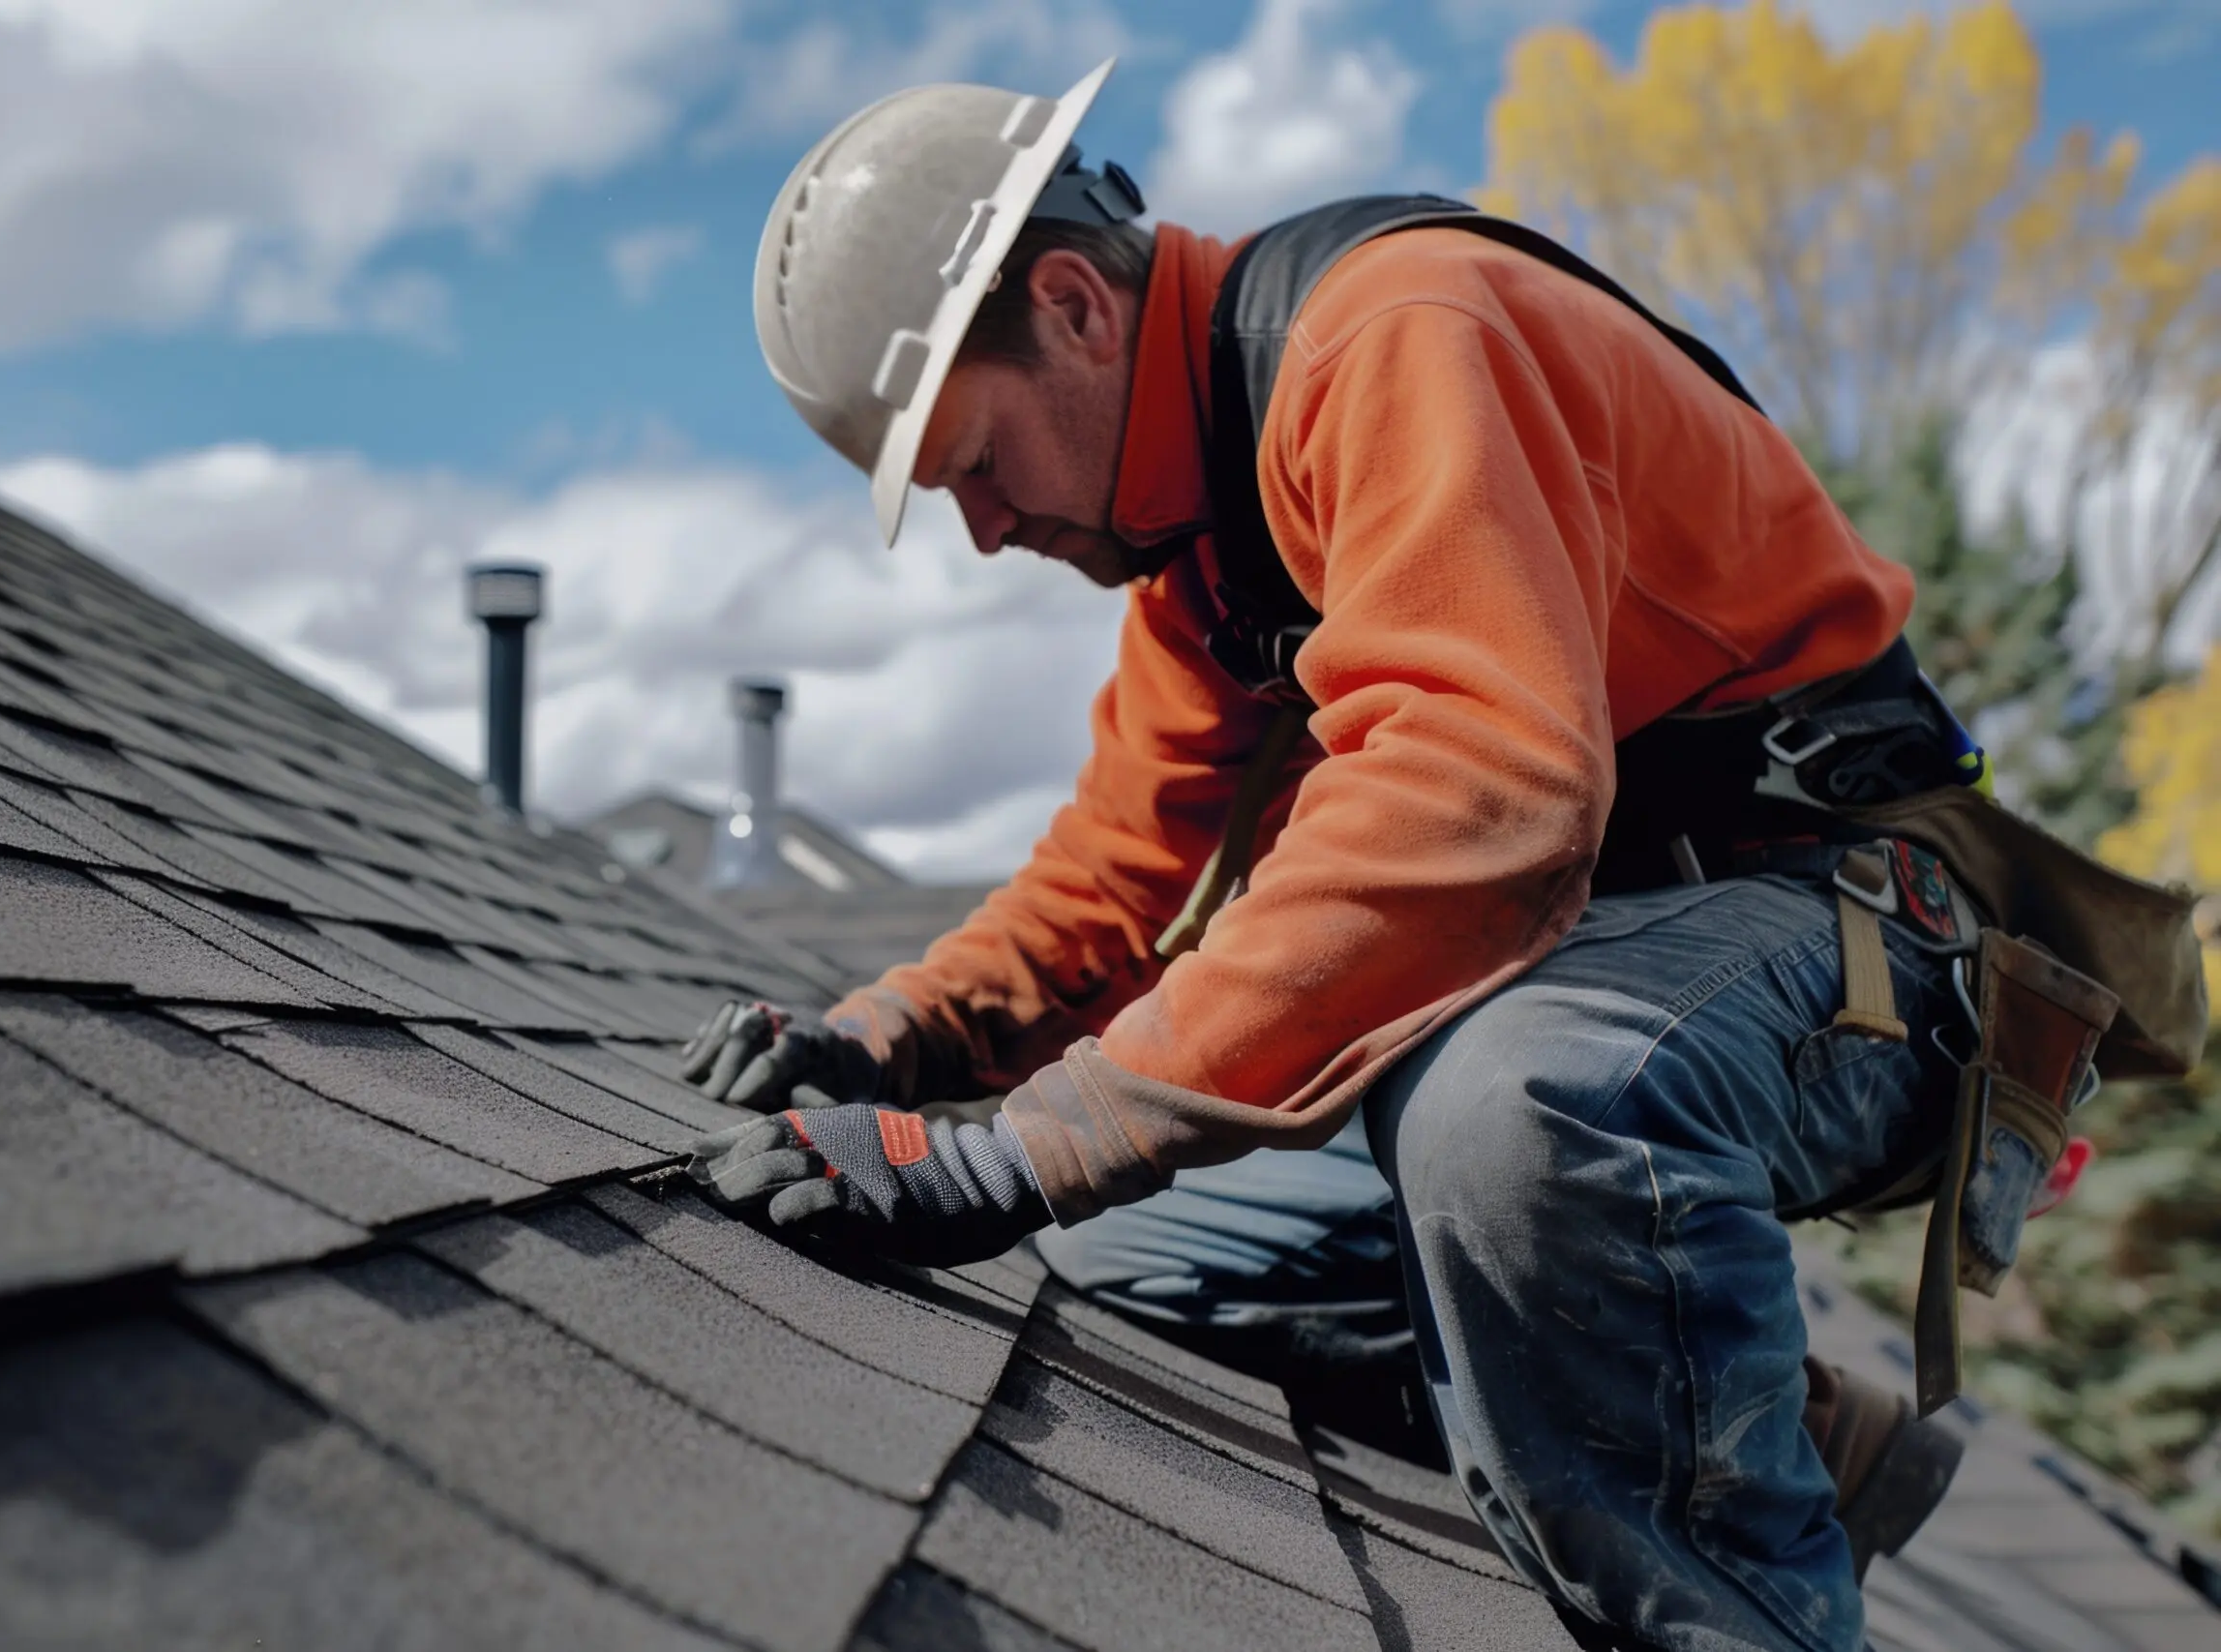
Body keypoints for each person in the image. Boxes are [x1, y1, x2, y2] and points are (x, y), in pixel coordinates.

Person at [679, 61, 2138, 1652]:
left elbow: (1482, 792)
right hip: (1621, 969)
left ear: (1076, 307)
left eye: (971, 462)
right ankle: (1750, 1410)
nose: (982, 529)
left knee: (1511, 1104)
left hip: (1862, 944)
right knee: (1128, 1262)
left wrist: (1009, 1152)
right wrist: (888, 1036)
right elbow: (1113, 871)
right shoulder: (1202, 557)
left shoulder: (1394, 336)